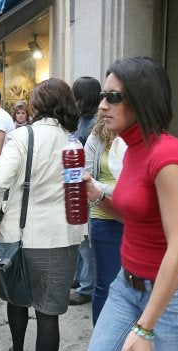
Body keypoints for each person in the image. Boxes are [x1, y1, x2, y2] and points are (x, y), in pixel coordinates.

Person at [81, 56, 178, 351]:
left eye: (114, 97)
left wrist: (144, 327)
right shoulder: (131, 147)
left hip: (175, 296)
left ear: (143, 98)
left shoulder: (167, 156)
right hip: (127, 284)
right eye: (102, 96)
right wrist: (97, 196)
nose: (103, 105)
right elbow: (135, 216)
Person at [0, 78, 84, 351]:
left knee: (17, 299)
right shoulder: (74, 144)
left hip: (21, 236)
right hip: (62, 237)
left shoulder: (22, 137)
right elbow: (77, 195)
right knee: (48, 314)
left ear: (38, 106)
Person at [84, 112, 126, 322]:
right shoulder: (97, 137)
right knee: (106, 282)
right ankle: (102, 340)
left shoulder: (138, 137)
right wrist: (118, 191)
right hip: (104, 216)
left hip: (136, 218)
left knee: (135, 284)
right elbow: (86, 178)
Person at [69, 76, 101, 306]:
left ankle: (87, 287)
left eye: (76, 95)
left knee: (86, 240)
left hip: (88, 184)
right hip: (77, 182)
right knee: (80, 237)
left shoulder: (96, 123)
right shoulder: (82, 119)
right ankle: (80, 278)